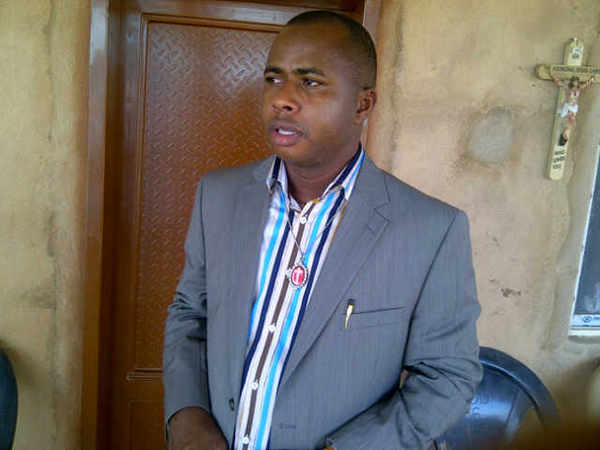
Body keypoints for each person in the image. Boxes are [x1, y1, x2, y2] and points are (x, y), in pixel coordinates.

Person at [163, 10, 482, 450]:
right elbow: (189, 313)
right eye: (273, 79)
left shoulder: (431, 230)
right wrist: (187, 416)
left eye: (310, 82)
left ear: (362, 105)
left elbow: (447, 376)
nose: (282, 99)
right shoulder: (218, 195)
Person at [551, 74, 596, 145]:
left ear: (577, 83)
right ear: (571, 83)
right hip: (571, 108)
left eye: (576, 82)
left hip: (571, 108)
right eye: (574, 82)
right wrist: (554, 77)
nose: (575, 84)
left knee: (569, 119)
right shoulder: (569, 89)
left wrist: (591, 80)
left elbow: (585, 85)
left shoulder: (578, 89)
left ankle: (570, 117)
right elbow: (560, 83)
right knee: (570, 119)